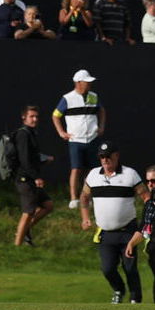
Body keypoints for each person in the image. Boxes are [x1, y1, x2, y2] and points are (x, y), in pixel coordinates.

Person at [80, 141, 144, 304]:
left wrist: (145, 223)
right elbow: (84, 197)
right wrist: (85, 217)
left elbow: (146, 198)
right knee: (107, 268)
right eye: (102, 156)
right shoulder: (94, 175)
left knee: (129, 267)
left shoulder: (130, 174)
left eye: (108, 156)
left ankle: (135, 298)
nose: (105, 159)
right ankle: (119, 290)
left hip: (128, 232)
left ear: (116, 155)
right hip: (106, 233)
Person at [54, 68, 106, 210]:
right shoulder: (67, 98)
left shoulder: (93, 96)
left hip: (92, 138)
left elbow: (101, 110)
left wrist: (101, 126)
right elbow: (55, 115)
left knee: (92, 170)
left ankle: (87, 197)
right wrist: (61, 132)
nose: (89, 85)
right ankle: (73, 198)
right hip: (76, 140)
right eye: (86, 82)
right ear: (78, 83)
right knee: (76, 169)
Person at [10, 105, 54, 246]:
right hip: (25, 179)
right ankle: (17, 245)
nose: (35, 119)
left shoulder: (31, 133)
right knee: (28, 212)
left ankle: (24, 231)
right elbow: (25, 160)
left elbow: (32, 157)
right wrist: (36, 177)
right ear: (24, 118)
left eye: (36, 116)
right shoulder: (23, 134)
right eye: (31, 116)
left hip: (31, 179)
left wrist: (44, 159)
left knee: (48, 205)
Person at [124, 165, 155, 303]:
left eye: (154, 180)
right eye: (148, 181)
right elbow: (143, 227)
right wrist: (131, 243)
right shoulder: (149, 203)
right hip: (154, 248)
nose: (150, 184)